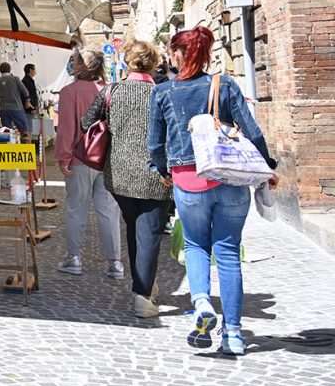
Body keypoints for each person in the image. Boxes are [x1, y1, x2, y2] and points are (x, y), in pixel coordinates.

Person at [150, 26, 277, 356]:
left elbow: (154, 144)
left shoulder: (163, 92)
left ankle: (202, 302)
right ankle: (233, 334)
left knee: (195, 244)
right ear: (205, 55)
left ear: (178, 55)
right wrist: (267, 167)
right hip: (231, 180)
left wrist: (164, 172)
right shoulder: (226, 85)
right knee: (229, 252)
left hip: (188, 179)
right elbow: (253, 132)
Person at [83, 41, 174, 317]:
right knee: (148, 233)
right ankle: (143, 297)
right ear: (154, 64)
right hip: (155, 173)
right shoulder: (162, 93)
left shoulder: (112, 91)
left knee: (136, 228)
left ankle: (143, 284)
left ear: (126, 63)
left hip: (119, 174)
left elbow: (86, 122)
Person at [54, 49, 123, 280]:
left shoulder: (69, 92)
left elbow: (66, 129)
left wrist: (63, 158)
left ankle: (73, 258)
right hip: (106, 159)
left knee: (76, 208)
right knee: (109, 211)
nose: (71, 63)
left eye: (74, 60)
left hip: (80, 158)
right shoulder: (110, 90)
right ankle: (115, 262)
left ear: (83, 65)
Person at [0, 63, 29, 133]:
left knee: (6, 132)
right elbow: (25, 92)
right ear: (10, 69)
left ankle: (9, 143)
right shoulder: (15, 79)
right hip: (16, 108)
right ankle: (25, 142)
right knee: (24, 131)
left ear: (0, 70)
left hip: (4, 109)